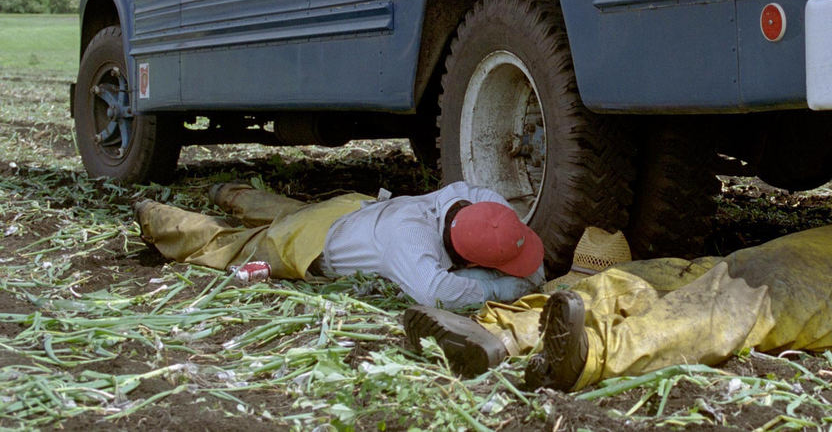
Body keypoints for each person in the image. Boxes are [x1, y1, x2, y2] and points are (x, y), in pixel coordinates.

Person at [404, 208, 832, 389]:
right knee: (666, 276)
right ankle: (499, 332)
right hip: (824, 247)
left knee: (736, 307)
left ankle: (591, 355)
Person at [134, 181, 545, 309]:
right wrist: (493, 287)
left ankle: (226, 190)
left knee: (286, 210)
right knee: (227, 244)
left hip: (351, 209)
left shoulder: (467, 197)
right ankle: (153, 213)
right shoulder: (409, 244)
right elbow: (435, 293)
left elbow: (499, 215)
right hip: (312, 245)